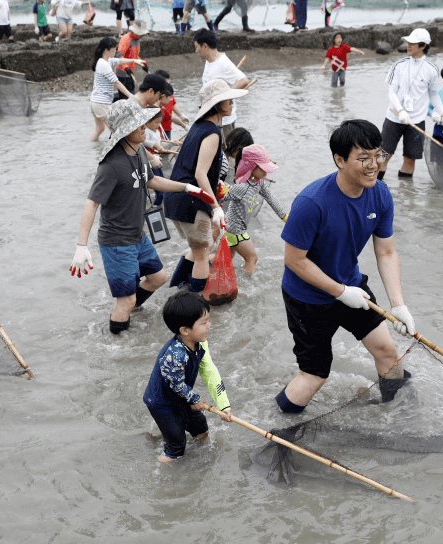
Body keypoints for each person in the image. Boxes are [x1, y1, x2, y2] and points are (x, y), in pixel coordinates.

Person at [276, 119, 416, 413]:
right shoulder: (312, 202)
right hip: (308, 298)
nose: (374, 165)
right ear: (340, 160)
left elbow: (387, 252)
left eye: (378, 155)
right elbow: (294, 260)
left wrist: (398, 305)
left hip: (352, 286)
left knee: (388, 352)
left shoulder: (380, 194)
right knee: (314, 375)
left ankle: (397, 417)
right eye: (363, 158)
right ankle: (278, 422)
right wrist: (339, 292)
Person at [69, 100, 217, 334]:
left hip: (137, 235)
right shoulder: (111, 165)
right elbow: (92, 203)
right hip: (117, 241)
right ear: (124, 130)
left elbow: (152, 180)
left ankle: (130, 309)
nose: (143, 127)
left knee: (159, 278)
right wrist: (81, 246)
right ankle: (117, 342)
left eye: (142, 122)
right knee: (125, 300)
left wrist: (187, 188)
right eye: (137, 124)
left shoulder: (138, 151)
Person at [164, 79, 248, 294]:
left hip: (176, 197)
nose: (231, 103)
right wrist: (216, 207)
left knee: (198, 249)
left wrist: (215, 185)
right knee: (202, 254)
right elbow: (200, 174)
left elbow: (194, 168)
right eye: (227, 100)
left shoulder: (198, 127)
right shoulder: (212, 133)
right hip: (191, 201)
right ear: (217, 105)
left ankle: (178, 292)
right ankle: (198, 301)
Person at [143, 291, 232, 463]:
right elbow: (176, 384)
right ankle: (159, 469)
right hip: (162, 403)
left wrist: (223, 405)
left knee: (201, 429)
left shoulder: (200, 343)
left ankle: (168, 435)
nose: (209, 325)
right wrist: (194, 398)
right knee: (176, 447)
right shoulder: (175, 355)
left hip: (183, 397)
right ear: (184, 330)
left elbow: (209, 371)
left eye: (208, 320)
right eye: (204, 322)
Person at [378, 28, 443, 180]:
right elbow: (391, 93)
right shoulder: (398, 65)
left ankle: (405, 192)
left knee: (410, 159)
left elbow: (433, 95)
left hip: (417, 121)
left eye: (412, 43)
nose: (408, 45)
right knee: (383, 157)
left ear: (423, 45)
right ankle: (373, 188)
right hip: (394, 117)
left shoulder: (432, 69)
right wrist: (401, 111)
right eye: (408, 42)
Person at [223, 144, 287, 273]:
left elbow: (271, 199)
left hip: (234, 228)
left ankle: (199, 262)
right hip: (234, 228)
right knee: (252, 257)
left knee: (226, 259)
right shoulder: (241, 187)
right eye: (262, 168)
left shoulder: (259, 183)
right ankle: (247, 283)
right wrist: (221, 189)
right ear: (251, 167)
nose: (266, 172)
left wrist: (285, 217)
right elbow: (219, 198)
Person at [195, 29, 249, 139]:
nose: (196, 51)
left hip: (224, 122)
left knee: (223, 149)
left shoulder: (223, 63)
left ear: (204, 46)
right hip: (212, 118)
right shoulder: (210, 61)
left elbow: (243, 80)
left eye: (196, 47)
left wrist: (225, 97)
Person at [89, 36, 142, 141]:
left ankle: (93, 149)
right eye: (114, 49)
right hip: (101, 103)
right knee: (117, 132)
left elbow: (119, 61)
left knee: (99, 129)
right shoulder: (104, 64)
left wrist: (134, 60)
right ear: (106, 50)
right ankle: (113, 150)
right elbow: (117, 83)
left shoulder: (105, 61)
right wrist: (130, 96)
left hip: (94, 102)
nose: (116, 51)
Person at [114, 19, 148, 100]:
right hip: (122, 72)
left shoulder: (137, 40)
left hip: (130, 72)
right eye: (141, 34)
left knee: (130, 93)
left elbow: (134, 56)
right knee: (126, 96)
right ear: (135, 31)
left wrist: (143, 64)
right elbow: (119, 55)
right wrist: (126, 68)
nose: (142, 36)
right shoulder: (126, 39)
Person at [155, 70, 188, 140]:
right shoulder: (156, 107)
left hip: (167, 125)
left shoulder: (169, 93)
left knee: (166, 143)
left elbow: (172, 115)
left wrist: (182, 116)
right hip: (158, 128)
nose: (170, 99)